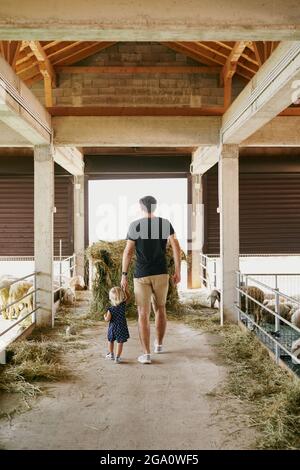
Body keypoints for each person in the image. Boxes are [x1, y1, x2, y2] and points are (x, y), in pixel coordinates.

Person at [121, 195, 181, 364]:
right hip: (161, 273)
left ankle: (146, 354)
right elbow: (176, 247)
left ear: (141, 208)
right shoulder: (165, 223)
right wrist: (177, 271)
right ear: (155, 207)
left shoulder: (135, 225)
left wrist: (124, 275)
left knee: (143, 314)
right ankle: (159, 345)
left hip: (141, 275)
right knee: (160, 308)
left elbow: (128, 252)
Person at [104, 286, 130, 364]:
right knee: (120, 342)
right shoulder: (123, 306)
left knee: (110, 340)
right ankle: (117, 358)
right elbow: (128, 297)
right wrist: (125, 290)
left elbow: (107, 319)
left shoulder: (110, 309)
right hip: (121, 327)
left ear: (111, 298)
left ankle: (111, 354)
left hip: (113, 328)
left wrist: (105, 316)